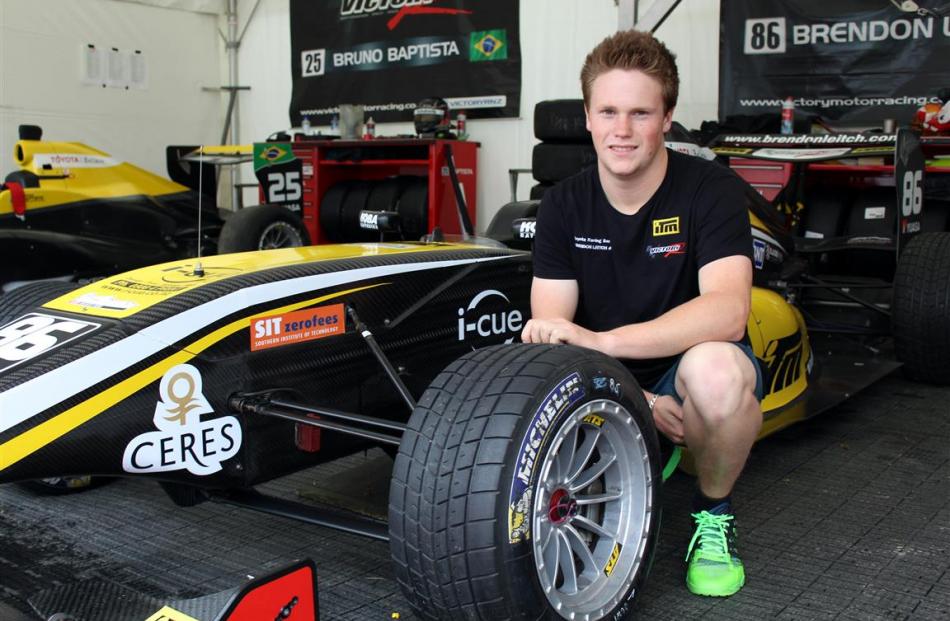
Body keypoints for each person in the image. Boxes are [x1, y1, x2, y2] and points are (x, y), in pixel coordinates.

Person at [521, 29, 763, 598]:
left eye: (640, 112)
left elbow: (728, 313)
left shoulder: (713, 189)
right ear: (587, 116)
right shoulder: (563, 203)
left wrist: (606, 345)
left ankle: (714, 515)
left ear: (668, 116)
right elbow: (554, 331)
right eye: (607, 111)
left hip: (684, 364)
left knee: (717, 374)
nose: (621, 130)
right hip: (609, 374)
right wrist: (642, 401)